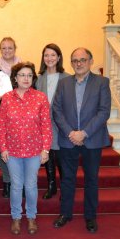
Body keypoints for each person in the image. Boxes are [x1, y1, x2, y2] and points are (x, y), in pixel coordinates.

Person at [52, 48, 111, 233]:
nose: (79, 63)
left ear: (91, 61)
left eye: (83, 60)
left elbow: (104, 112)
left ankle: (91, 217)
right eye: (75, 60)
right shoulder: (63, 83)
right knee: (67, 179)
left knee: (91, 180)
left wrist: (83, 133)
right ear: (71, 63)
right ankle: (65, 213)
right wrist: (71, 132)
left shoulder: (102, 82)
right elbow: (57, 110)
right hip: (68, 139)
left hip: (92, 139)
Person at [0, 62, 52, 235]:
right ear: (15, 78)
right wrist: (2, 148)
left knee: (30, 185)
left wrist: (46, 149)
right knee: (15, 185)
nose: (26, 78)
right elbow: (1, 126)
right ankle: (15, 217)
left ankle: (31, 217)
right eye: (22, 75)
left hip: (34, 151)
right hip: (12, 151)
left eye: (29, 75)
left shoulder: (40, 97)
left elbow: (46, 126)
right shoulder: (6, 98)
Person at [0, 37, 22, 198]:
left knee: (19, 148)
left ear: (15, 49)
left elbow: (30, 88)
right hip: (0, 113)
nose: (7, 50)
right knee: (4, 148)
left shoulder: (23, 67)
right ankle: (7, 183)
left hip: (20, 115)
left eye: (10, 48)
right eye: (4, 48)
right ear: (0, 50)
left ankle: (19, 182)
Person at [36, 43, 69, 199]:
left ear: (59, 57)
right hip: (43, 125)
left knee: (61, 158)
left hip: (61, 125)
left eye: (53, 55)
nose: (49, 58)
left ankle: (65, 187)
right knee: (47, 155)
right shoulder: (39, 79)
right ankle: (51, 186)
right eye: (46, 55)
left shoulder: (68, 78)